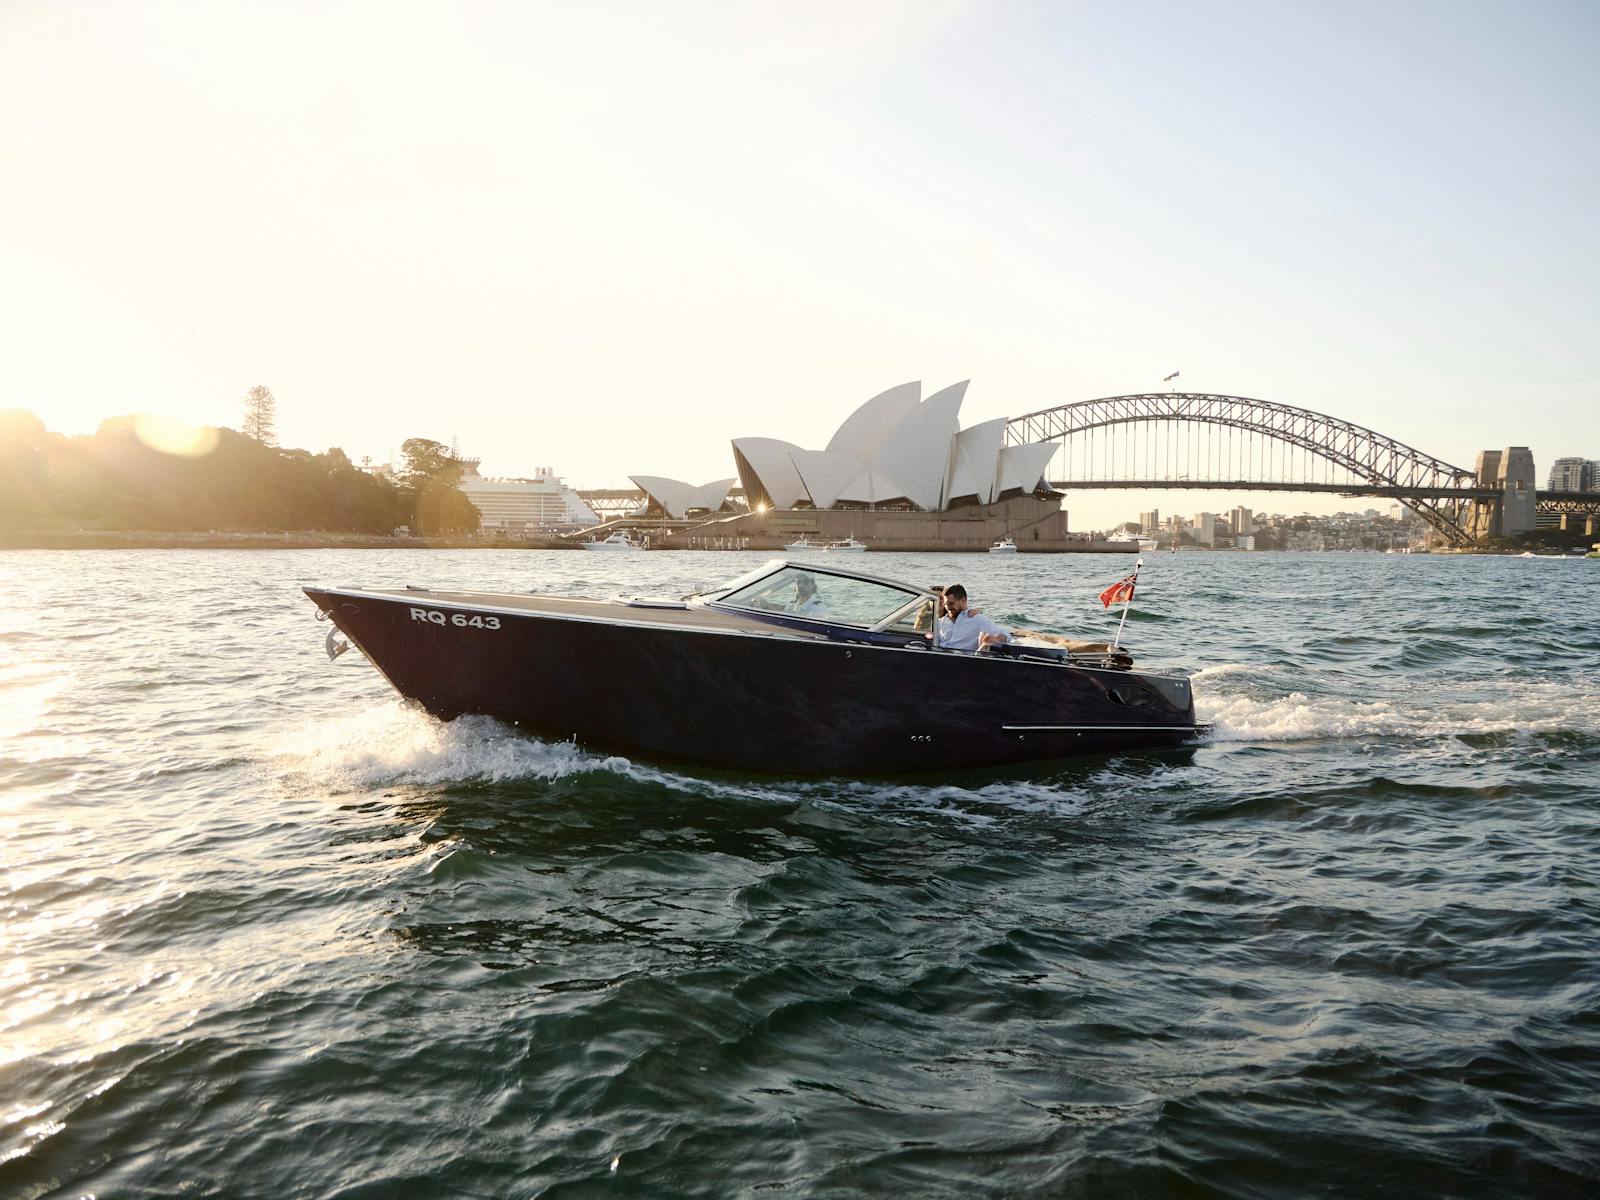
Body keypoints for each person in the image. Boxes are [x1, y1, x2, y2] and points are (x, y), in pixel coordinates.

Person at [936, 583, 1009, 651]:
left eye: (951, 603)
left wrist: (996, 638)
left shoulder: (977, 619)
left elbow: (1005, 634)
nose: (948, 607)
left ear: (963, 600)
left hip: (964, 658)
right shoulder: (939, 622)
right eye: (946, 604)